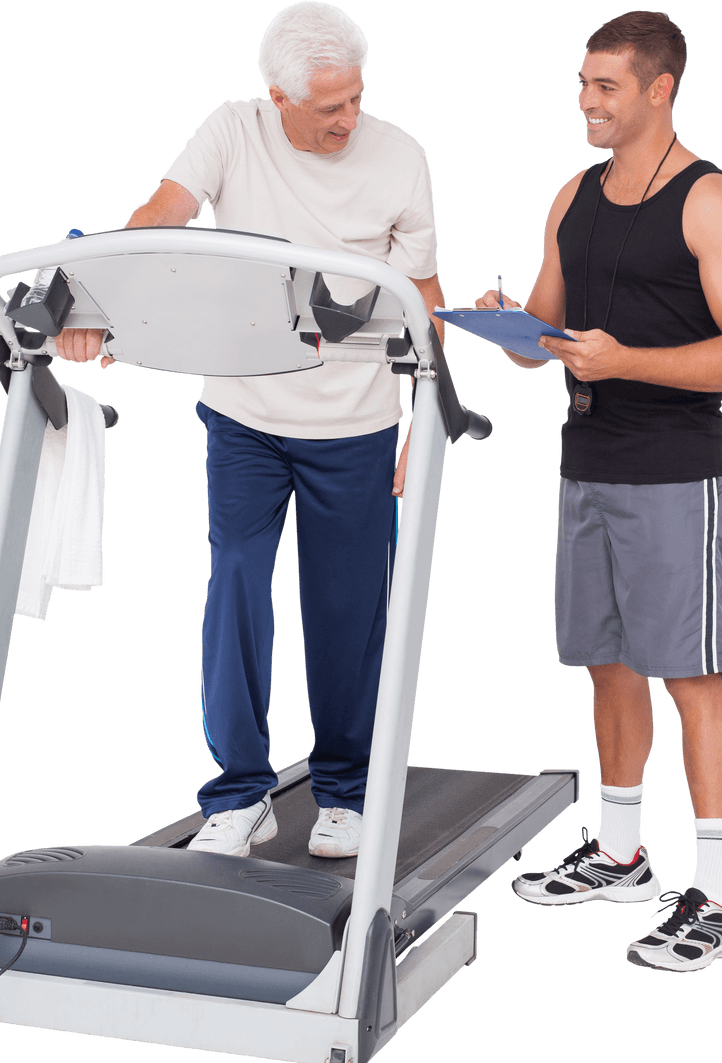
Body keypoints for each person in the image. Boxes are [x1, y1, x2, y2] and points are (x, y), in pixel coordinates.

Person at [56, 2, 444, 859]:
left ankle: (344, 790)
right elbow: (160, 212)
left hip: (358, 426)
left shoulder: (401, 155)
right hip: (245, 418)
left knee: (347, 612)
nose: (349, 118)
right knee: (234, 581)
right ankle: (240, 795)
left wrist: (430, 422)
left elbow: (423, 296)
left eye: (356, 98)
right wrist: (96, 301)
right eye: (329, 107)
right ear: (277, 95)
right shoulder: (233, 131)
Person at [476, 11, 722, 972]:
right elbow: (549, 332)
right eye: (580, 85)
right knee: (606, 663)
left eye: (604, 86)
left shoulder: (712, 200)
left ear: (659, 89)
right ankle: (620, 854)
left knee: (690, 673)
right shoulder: (575, 193)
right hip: (585, 463)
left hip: (676, 470)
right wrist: (511, 328)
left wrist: (629, 359)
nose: (585, 103)